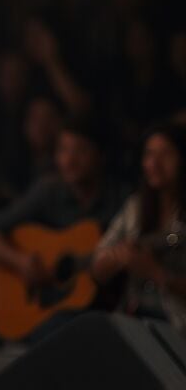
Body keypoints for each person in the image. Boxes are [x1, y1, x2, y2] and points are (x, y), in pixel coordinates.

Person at [0, 120, 125, 342]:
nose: (69, 160)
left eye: (80, 150)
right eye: (63, 150)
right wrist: (22, 261)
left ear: (101, 155)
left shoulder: (121, 199)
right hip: (45, 305)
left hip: (103, 308)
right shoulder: (49, 190)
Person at [90, 123, 186, 337]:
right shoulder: (135, 206)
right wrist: (114, 259)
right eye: (149, 154)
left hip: (177, 326)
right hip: (134, 321)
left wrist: (156, 273)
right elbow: (97, 265)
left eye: (166, 154)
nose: (154, 164)